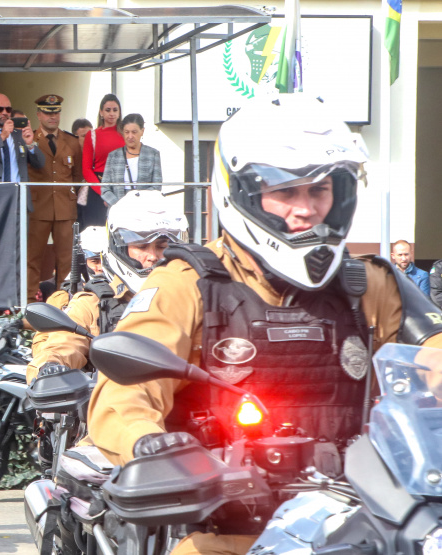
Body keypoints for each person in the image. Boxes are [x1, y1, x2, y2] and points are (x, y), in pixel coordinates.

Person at [87, 96, 442, 555]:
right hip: (229, 532)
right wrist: (152, 446)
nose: (306, 209)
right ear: (243, 192)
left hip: (365, 526)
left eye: (319, 190)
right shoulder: (188, 284)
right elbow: (121, 397)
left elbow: (433, 355)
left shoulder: (368, 284)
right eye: (286, 192)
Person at [27, 191, 187, 383]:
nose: (153, 256)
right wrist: (51, 369)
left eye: (162, 246)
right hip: (119, 404)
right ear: (118, 247)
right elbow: (64, 344)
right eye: (141, 247)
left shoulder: (192, 297)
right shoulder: (93, 302)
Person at [27, 94, 83, 302]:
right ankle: (30, 301)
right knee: (32, 257)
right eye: (48, 113)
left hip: (64, 207)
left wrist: (69, 197)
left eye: (56, 112)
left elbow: (77, 176)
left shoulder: (72, 141)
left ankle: (64, 300)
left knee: (66, 259)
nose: (53, 117)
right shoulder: (30, 139)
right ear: (39, 114)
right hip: (38, 206)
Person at [100, 113, 162, 206]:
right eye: (126, 132)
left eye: (134, 132)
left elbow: (156, 186)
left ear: (142, 131)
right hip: (118, 211)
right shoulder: (113, 156)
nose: (130, 136)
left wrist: (137, 201)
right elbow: (105, 188)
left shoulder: (153, 154)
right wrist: (119, 204)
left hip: (144, 209)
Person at [80, 93, 124, 226]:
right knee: (97, 232)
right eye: (108, 110)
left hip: (122, 186)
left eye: (115, 110)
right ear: (101, 112)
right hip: (98, 186)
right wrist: (103, 193)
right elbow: (86, 169)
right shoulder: (92, 135)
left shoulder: (126, 133)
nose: (112, 114)